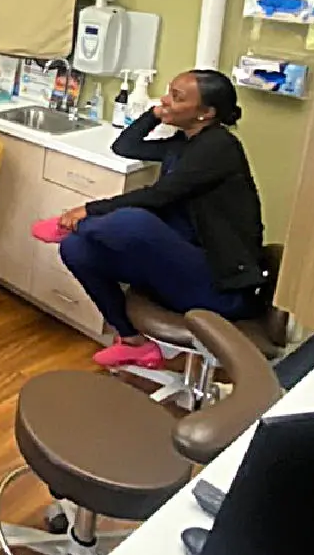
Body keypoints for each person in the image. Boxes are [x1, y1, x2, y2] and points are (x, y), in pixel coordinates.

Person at [31, 69, 266, 370]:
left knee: (133, 222)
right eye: (168, 92)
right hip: (181, 268)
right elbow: (124, 146)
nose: (165, 99)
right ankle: (133, 343)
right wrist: (157, 113)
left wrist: (87, 211)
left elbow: (158, 196)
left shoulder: (219, 147)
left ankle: (70, 226)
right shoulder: (185, 142)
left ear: (206, 113)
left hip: (221, 286)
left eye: (176, 98)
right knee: (77, 249)